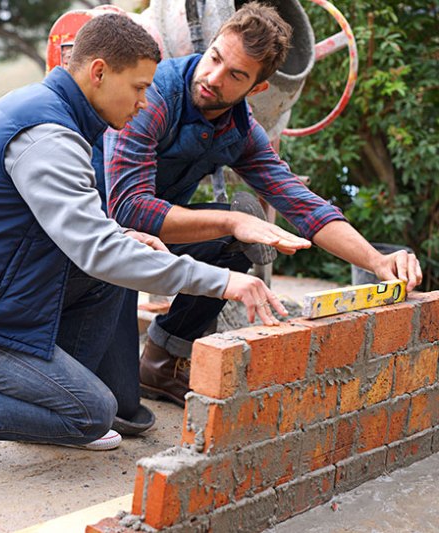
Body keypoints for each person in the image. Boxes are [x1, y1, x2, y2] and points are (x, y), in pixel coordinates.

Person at [0, 13, 287, 467]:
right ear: (98, 73)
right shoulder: (48, 135)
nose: (143, 101)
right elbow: (97, 252)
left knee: (110, 278)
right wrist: (224, 281)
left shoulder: (59, 116)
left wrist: (124, 234)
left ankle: (53, 397)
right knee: (93, 415)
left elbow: (79, 228)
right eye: (137, 87)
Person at [102, 1, 423, 407]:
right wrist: (232, 220)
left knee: (237, 243)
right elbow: (128, 208)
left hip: (148, 239)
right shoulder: (155, 95)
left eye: (235, 75)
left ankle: (161, 364)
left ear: (256, 89)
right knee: (113, 410)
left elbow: (304, 206)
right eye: (215, 58)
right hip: (90, 236)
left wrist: (376, 261)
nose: (213, 78)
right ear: (211, 44)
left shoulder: (240, 130)